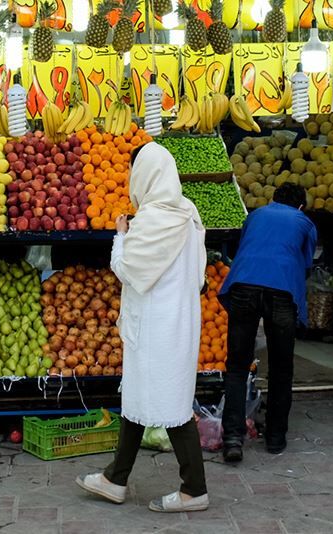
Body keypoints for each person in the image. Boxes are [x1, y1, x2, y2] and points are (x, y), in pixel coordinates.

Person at [76, 142, 209, 513]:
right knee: (138, 398)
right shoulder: (188, 213)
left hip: (155, 326)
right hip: (179, 320)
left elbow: (129, 270)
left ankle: (194, 489)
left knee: (171, 403)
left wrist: (121, 235)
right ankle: (115, 478)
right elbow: (198, 274)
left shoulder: (153, 219)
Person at [218, 183, 317, 462]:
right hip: (281, 292)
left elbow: (244, 247)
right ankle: (275, 438)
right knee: (281, 367)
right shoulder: (304, 222)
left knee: (237, 366)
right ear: (300, 206)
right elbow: (306, 263)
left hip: (243, 286)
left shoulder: (256, 215)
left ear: (273, 200)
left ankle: (233, 439)